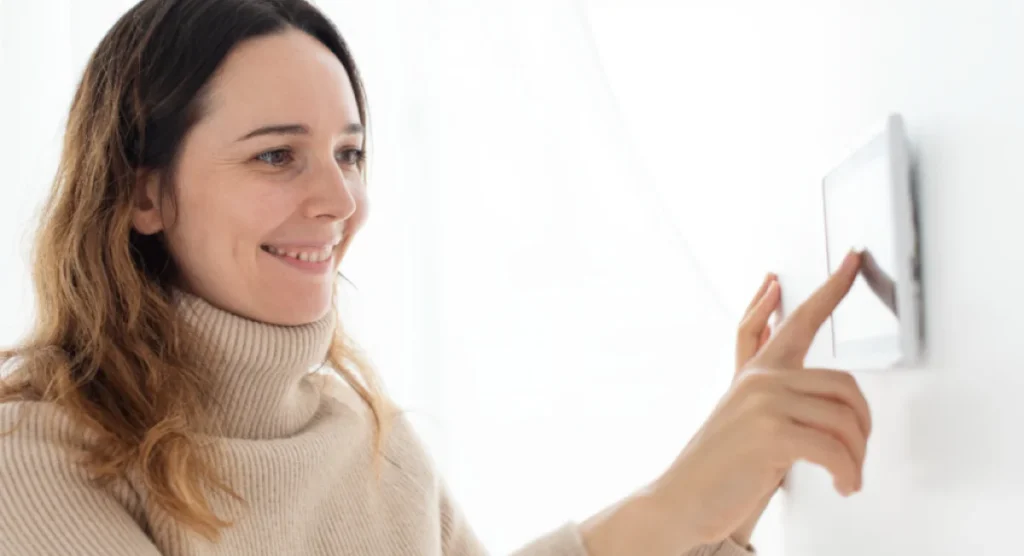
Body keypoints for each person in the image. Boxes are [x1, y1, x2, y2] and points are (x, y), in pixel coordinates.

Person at [0, 1, 872, 555]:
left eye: (350, 153)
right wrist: (670, 506)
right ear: (144, 190)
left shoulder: (372, 443)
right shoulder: (30, 456)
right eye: (277, 155)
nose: (340, 198)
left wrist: (728, 502)